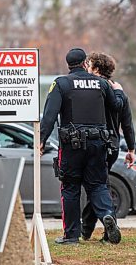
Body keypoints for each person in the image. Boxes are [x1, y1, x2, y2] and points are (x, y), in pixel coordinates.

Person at [40, 47, 125, 245]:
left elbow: (50, 115)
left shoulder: (61, 83)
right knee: (97, 186)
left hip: (72, 146)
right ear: (85, 63)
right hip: (98, 144)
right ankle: (106, 216)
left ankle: (71, 235)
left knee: (70, 189)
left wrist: (41, 140)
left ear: (68, 64)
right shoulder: (101, 84)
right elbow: (117, 106)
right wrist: (118, 92)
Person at [81, 52, 136, 242]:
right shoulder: (118, 90)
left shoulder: (93, 91)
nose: (85, 68)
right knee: (98, 185)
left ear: (96, 69)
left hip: (97, 143)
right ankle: (87, 229)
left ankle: (106, 227)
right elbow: (127, 124)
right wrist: (131, 149)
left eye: (88, 65)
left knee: (98, 187)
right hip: (113, 145)